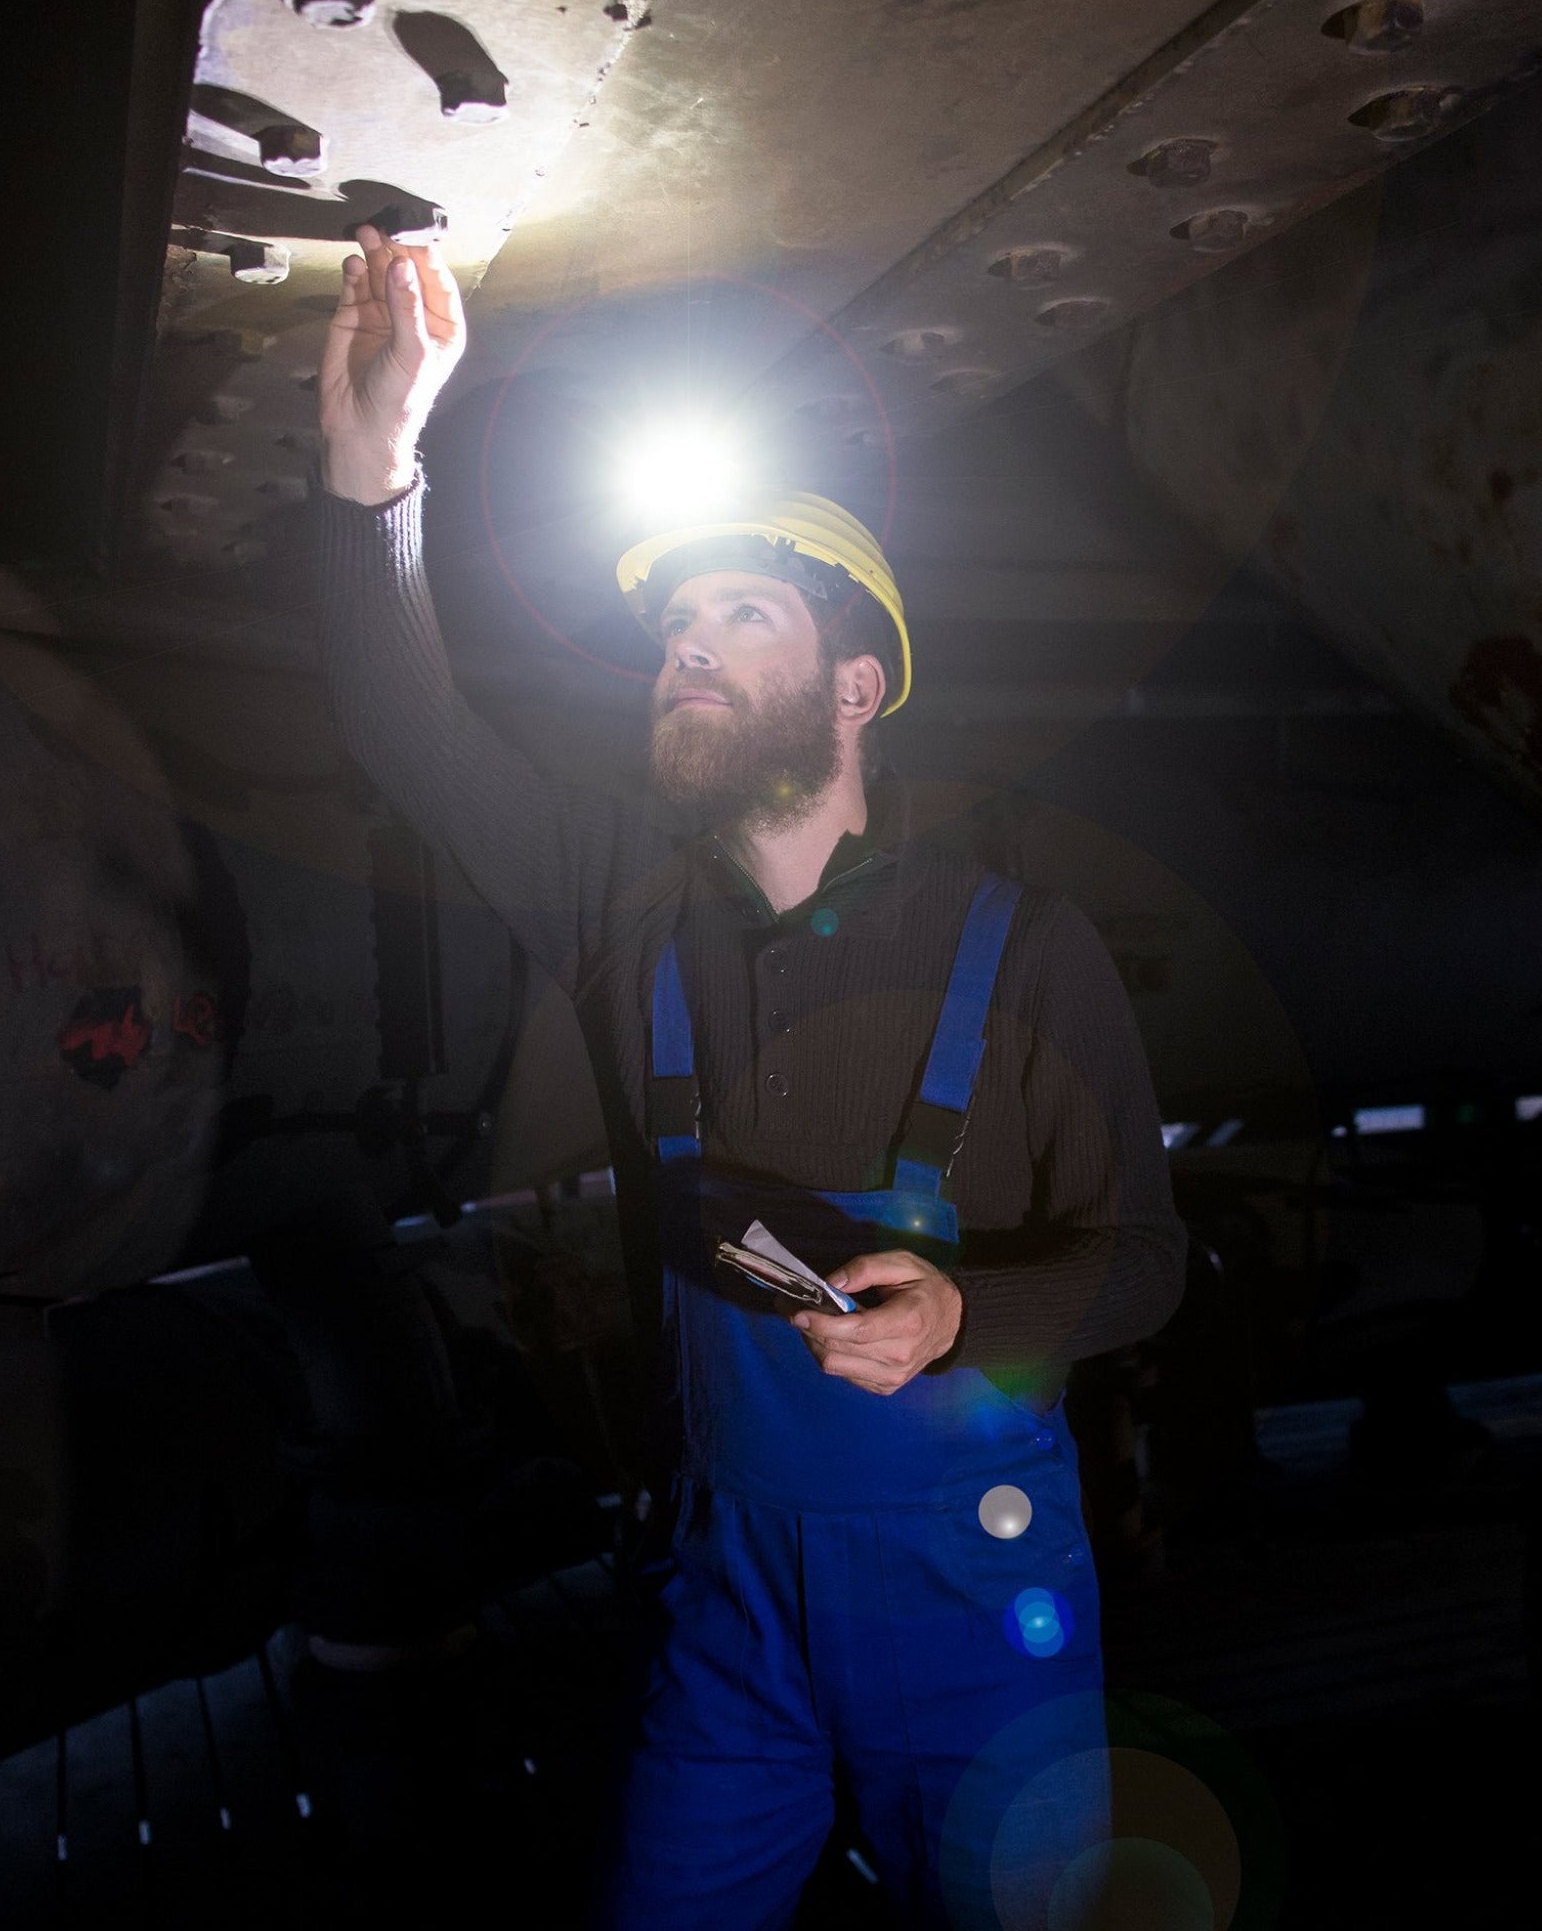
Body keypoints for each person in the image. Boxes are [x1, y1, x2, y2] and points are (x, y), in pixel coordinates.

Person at [312, 225, 1187, 1929]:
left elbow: (1149, 1257)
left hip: (978, 1617)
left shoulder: (1025, 950)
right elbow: (404, 729)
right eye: (671, 623)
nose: (684, 648)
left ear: (856, 688)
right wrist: (374, 465)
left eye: (739, 612)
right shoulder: (621, 912)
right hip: (735, 1614)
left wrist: (960, 1314)